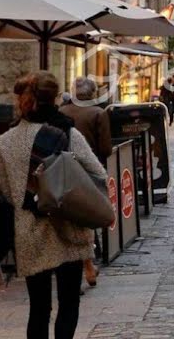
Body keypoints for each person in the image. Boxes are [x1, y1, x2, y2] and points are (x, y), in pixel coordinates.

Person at [0, 72, 107, 339]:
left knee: (38, 307)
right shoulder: (68, 134)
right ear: (56, 97)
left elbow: (7, 191)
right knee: (69, 302)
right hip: (67, 225)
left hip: (29, 229)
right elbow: (98, 173)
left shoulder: (6, 140)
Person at [59, 77, 113, 288]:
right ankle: (88, 264)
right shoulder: (98, 113)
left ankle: (85, 263)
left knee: (71, 218)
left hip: (64, 171)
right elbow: (106, 148)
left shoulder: (62, 113)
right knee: (87, 219)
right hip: (89, 172)